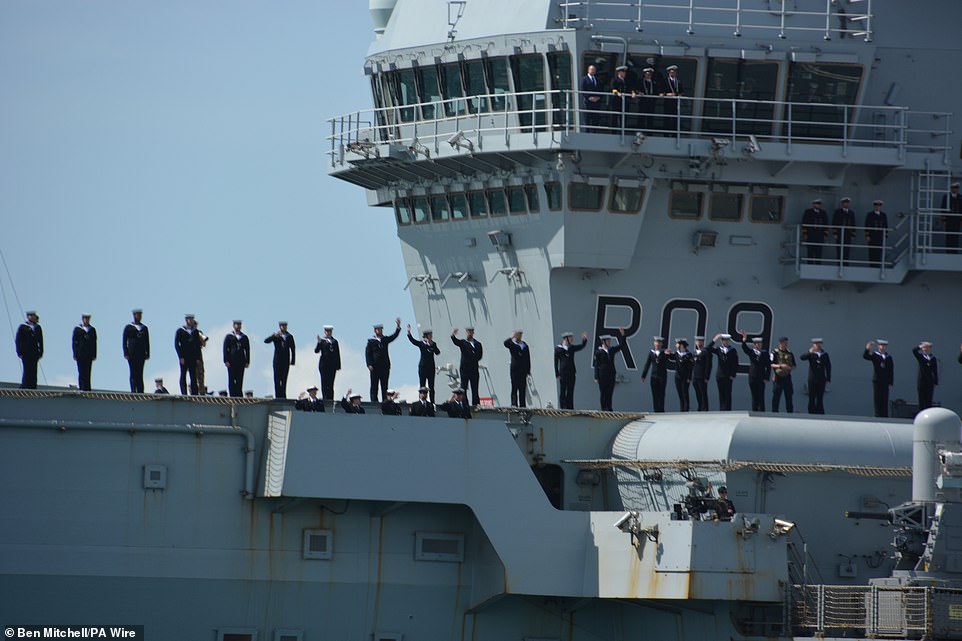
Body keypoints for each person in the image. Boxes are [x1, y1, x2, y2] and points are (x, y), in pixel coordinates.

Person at [366, 318, 401, 403]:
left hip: (384, 366)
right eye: (378, 329)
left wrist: (398, 327)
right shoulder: (371, 342)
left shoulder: (385, 340)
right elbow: (368, 353)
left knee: (384, 385)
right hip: (374, 367)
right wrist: (369, 364)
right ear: (375, 331)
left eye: (380, 329)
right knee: (374, 385)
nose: (379, 331)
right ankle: (374, 401)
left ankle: (385, 401)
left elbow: (393, 336)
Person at [554, 331, 589, 410]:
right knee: (563, 390)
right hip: (563, 372)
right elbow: (556, 362)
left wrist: (584, 340)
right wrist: (557, 373)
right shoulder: (558, 349)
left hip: (571, 372)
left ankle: (570, 407)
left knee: (570, 390)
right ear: (566, 339)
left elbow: (581, 346)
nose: (572, 339)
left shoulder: (571, 348)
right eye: (570, 338)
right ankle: (563, 407)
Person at [407, 325, 441, 402]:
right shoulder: (422, 344)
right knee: (422, 385)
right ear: (426, 336)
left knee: (431, 385)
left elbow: (438, 352)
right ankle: (421, 400)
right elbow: (413, 341)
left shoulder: (433, 344)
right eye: (430, 335)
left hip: (431, 367)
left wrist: (432, 345)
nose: (431, 336)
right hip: (423, 366)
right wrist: (409, 333)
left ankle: (432, 401)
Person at [594, 328, 625, 411]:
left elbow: (621, 346)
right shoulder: (599, 352)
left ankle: (609, 408)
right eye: (608, 341)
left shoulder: (611, 350)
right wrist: (596, 377)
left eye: (609, 341)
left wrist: (623, 336)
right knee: (603, 392)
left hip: (611, 373)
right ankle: (603, 408)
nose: (609, 342)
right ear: (603, 342)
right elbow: (597, 364)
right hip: (602, 374)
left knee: (610, 392)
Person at [451, 327, 483, 406]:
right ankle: (464, 404)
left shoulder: (478, 344)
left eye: (471, 332)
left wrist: (473, 358)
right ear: (466, 333)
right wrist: (453, 335)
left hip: (474, 368)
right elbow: (456, 342)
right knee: (463, 388)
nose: (469, 333)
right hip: (464, 369)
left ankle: (476, 404)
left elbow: (480, 355)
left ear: (473, 333)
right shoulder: (463, 342)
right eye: (468, 332)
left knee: (475, 388)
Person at [264, 321, 296, 399]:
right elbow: (266, 341)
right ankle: (278, 396)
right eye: (282, 326)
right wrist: (274, 336)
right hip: (277, 361)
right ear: (280, 327)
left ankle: (283, 395)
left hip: (285, 361)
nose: (284, 327)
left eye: (285, 326)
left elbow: (293, 348)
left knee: (284, 379)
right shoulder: (276, 336)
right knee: (277, 379)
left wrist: (293, 360)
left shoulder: (289, 336)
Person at [800, 338, 832, 414]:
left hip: (821, 379)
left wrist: (828, 378)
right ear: (813, 345)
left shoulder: (825, 354)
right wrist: (809, 353)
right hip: (812, 379)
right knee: (811, 398)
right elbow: (802, 357)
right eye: (816, 344)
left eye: (819, 344)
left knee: (820, 398)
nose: (818, 346)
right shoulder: (811, 354)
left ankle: (820, 414)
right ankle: (811, 413)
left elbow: (828, 366)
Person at [863, 339, 894, 417]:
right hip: (877, 380)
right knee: (877, 398)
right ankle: (877, 415)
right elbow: (865, 356)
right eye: (881, 345)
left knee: (884, 398)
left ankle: (884, 415)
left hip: (885, 381)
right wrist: (867, 348)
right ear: (878, 346)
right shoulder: (875, 355)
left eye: (884, 346)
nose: (882, 347)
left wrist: (890, 382)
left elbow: (891, 370)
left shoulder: (888, 357)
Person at [174, 314, 203, 395]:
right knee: (183, 374)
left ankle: (194, 393)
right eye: (189, 319)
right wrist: (180, 357)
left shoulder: (195, 332)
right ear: (186, 320)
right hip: (184, 357)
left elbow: (197, 345)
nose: (191, 321)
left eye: (192, 319)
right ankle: (184, 392)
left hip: (192, 357)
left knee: (193, 375)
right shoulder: (180, 331)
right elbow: (176, 344)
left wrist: (198, 358)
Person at [740, 332, 769, 412]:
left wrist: (766, 377)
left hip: (761, 377)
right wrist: (744, 340)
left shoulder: (765, 353)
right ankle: (754, 411)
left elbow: (768, 366)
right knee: (754, 396)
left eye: (760, 343)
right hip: (752, 377)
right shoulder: (752, 352)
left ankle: (762, 412)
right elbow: (745, 349)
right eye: (758, 344)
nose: (759, 345)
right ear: (754, 344)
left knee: (761, 395)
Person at [123, 309, 150, 393]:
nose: (139, 317)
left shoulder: (144, 328)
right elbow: (124, 341)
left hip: (141, 354)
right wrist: (125, 352)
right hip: (131, 354)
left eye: (140, 315)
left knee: (140, 373)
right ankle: (133, 390)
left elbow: (147, 341)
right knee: (133, 372)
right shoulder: (128, 327)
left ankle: (140, 390)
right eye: (137, 315)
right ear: (134, 316)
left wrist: (147, 352)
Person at [641, 336, 671, 412]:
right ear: (654, 343)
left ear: (661, 344)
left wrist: (669, 353)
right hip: (653, 376)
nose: (657, 344)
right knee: (655, 394)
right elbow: (647, 364)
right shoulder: (651, 353)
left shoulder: (664, 352)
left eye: (659, 343)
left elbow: (671, 356)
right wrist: (644, 375)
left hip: (662, 376)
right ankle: (656, 410)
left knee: (661, 394)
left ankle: (661, 410)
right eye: (656, 342)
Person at [15, 310, 43, 389]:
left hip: (34, 352)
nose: (33, 317)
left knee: (34, 370)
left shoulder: (37, 327)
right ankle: (25, 386)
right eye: (31, 316)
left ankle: (33, 386)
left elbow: (40, 340)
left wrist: (41, 352)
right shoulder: (22, 327)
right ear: (28, 317)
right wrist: (19, 351)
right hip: (25, 352)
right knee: (27, 370)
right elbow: (18, 340)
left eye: (34, 316)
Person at [710, 333, 739, 411]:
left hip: (728, 375)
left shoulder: (732, 350)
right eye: (724, 340)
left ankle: (727, 410)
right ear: (721, 341)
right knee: (721, 393)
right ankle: (722, 409)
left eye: (727, 340)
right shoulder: (719, 349)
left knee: (728, 394)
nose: (725, 342)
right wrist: (714, 339)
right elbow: (708, 348)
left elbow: (735, 363)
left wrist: (733, 374)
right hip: (720, 375)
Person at [503, 330, 531, 407]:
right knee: (514, 387)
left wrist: (528, 370)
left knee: (522, 388)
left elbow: (528, 358)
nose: (519, 336)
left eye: (520, 334)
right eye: (518, 334)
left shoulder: (524, 345)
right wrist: (512, 337)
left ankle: (522, 405)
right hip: (515, 369)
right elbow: (505, 343)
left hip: (523, 369)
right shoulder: (512, 344)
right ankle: (514, 403)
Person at [223, 320, 251, 398]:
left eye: (239, 325)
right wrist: (226, 360)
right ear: (233, 326)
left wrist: (247, 361)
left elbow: (247, 350)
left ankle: (239, 395)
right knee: (231, 379)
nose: (238, 326)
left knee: (239, 379)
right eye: (236, 324)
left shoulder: (244, 337)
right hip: (231, 361)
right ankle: (232, 395)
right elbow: (225, 349)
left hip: (241, 361)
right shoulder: (229, 337)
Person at [314, 325, 341, 402]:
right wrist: (319, 343)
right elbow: (316, 351)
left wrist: (338, 365)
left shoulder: (335, 342)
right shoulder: (322, 341)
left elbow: (337, 354)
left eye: (330, 331)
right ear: (325, 332)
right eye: (327, 331)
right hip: (324, 364)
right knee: (324, 382)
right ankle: (325, 398)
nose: (328, 333)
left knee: (331, 382)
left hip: (332, 365)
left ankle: (330, 398)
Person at [770, 336, 796, 413]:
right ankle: (774, 413)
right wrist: (780, 366)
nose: (786, 344)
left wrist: (789, 368)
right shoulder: (774, 352)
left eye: (786, 343)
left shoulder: (790, 353)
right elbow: (771, 364)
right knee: (776, 397)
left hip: (787, 377)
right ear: (780, 343)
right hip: (778, 378)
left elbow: (794, 365)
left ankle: (790, 413)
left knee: (789, 396)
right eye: (784, 343)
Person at [71, 313, 97, 391]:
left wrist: (94, 354)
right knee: (81, 371)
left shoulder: (92, 329)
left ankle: (87, 388)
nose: (86, 320)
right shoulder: (78, 329)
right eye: (85, 318)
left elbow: (94, 343)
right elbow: (74, 342)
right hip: (80, 353)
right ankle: (82, 387)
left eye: (88, 318)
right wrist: (75, 353)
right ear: (82, 319)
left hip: (89, 354)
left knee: (88, 371)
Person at [912, 341, 939, 411]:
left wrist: (936, 381)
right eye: (924, 348)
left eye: (927, 347)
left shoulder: (933, 358)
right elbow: (914, 351)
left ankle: (928, 413)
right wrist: (920, 347)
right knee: (921, 399)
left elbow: (935, 370)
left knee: (928, 399)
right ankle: (921, 413)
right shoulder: (921, 357)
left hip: (930, 381)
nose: (926, 349)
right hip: (921, 380)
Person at [669, 338, 693, 412]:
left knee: (685, 393)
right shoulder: (676, 354)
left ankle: (686, 408)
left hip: (685, 377)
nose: (677, 346)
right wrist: (668, 353)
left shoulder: (688, 355)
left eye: (678, 344)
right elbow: (670, 357)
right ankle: (682, 409)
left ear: (682, 345)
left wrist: (689, 377)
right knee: (680, 394)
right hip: (678, 377)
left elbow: (691, 367)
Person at [802, 199, 828, 263]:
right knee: (810, 251)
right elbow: (804, 222)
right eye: (816, 204)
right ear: (813, 204)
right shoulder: (808, 212)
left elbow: (826, 224)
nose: (818, 205)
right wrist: (805, 233)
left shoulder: (823, 213)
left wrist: (825, 234)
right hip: (811, 235)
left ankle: (818, 264)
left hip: (819, 235)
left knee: (818, 252)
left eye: (819, 204)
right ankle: (810, 263)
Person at [832, 197, 857, 266]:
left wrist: (853, 234)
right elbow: (834, 222)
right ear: (842, 204)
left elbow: (853, 224)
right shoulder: (838, 212)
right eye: (845, 203)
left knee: (847, 250)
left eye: (847, 203)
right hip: (839, 234)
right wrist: (835, 233)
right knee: (839, 250)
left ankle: (846, 264)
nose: (846, 204)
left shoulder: (851, 213)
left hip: (848, 234)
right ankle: (839, 263)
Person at [580, 64, 604, 132]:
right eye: (591, 69)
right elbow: (583, 90)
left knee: (595, 117)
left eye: (594, 70)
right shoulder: (584, 79)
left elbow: (601, 89)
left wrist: (598, 97)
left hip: (596, 102)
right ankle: (587, 131)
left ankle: (594, 131)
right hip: (588, 102)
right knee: (587, 117)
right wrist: (589, 98)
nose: (593, 71)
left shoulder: (597, 79)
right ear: (588, 70)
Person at [864, 200, 889, 267]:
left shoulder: (883, 215)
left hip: (880, 236)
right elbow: (867, 225)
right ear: (874, 206)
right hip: (872, 236)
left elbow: (885, 225)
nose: (877, 207)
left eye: (879, 206)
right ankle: (872, 265)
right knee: (872, 251)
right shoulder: (870, 215)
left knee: (879, 251)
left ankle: (877, 264)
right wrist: (867, 235)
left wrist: (885, 234)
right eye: (876, 206)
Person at [609, 65, 634, 130]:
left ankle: (623, 131)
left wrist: (633, 93)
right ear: (619, 72)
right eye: (623, 72)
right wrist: (617, 93)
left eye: (625, 72)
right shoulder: (614, 80)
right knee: (614, 117)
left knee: (623, 118)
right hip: (616, 102)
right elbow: (612, 88)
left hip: (624, 102)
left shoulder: (627, 81)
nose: (624, 73)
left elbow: (630, 88)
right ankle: (613, 132)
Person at [692, 335, 712, 411]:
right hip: (695, 376)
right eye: (697, 341)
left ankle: (705, 408)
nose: (699, 343)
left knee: (703, 393)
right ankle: (700, 407)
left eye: (700, 341)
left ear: (703, 343)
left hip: (702, 376)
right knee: (698, 393)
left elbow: (708, 366)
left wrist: (707, 377)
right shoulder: (694, 353)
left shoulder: (705, 352)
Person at [660, 64, 683, 129]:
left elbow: (681, 91)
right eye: (671, 72)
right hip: (668, 101)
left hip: (675, 102)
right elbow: (661, 90)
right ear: (668, 72)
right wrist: (666, 94)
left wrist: (677, 94)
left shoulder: (679, 81)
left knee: (675, 118)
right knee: (667, 118)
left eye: (674, 72)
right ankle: (666, 133)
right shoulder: (665, 81)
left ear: (676, 72)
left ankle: (674, 133)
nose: (672, 73)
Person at [637, 67, 659, 131]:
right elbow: (636, 89)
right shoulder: (640, 81)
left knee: (650, 117)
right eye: (647, 73)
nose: (648, 75)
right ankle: (640, 131)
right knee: (641, 117)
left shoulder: (654, 82)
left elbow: (657, 91)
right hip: (643, 102)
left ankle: (649, 132)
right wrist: (639, 92)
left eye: (650, 74)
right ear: (644, 74)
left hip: (651, 103)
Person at [942, 182, 961, 253]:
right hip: (949, 219)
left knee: (956, 236)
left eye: (956, 188)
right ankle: (948, 251)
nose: (955, 189)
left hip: (957, 220)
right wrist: (943, 220)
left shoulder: (960, 197)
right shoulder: (946, 197)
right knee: (949, 236)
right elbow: (943, 207)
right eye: (954, 187)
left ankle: (955, 251)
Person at [195, 322, 209, 395]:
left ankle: (202, 391)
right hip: (192, 354)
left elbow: (204, 344)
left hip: (199, 355)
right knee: (193, 374)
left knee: (201, 373)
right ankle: (194, 391)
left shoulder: (199, 333)